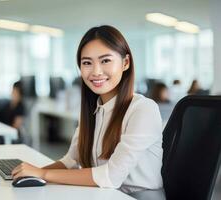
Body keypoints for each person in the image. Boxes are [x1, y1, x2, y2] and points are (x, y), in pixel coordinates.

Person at [12, 25, 163, 194]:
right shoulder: (94, 110)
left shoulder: (143, 109)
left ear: (125, 62)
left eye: (105, 60)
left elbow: (110, 176)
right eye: (87, 63)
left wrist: (44, 173)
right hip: (105, 194)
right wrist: (31, 174)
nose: (96, 71)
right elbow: (70, 161)